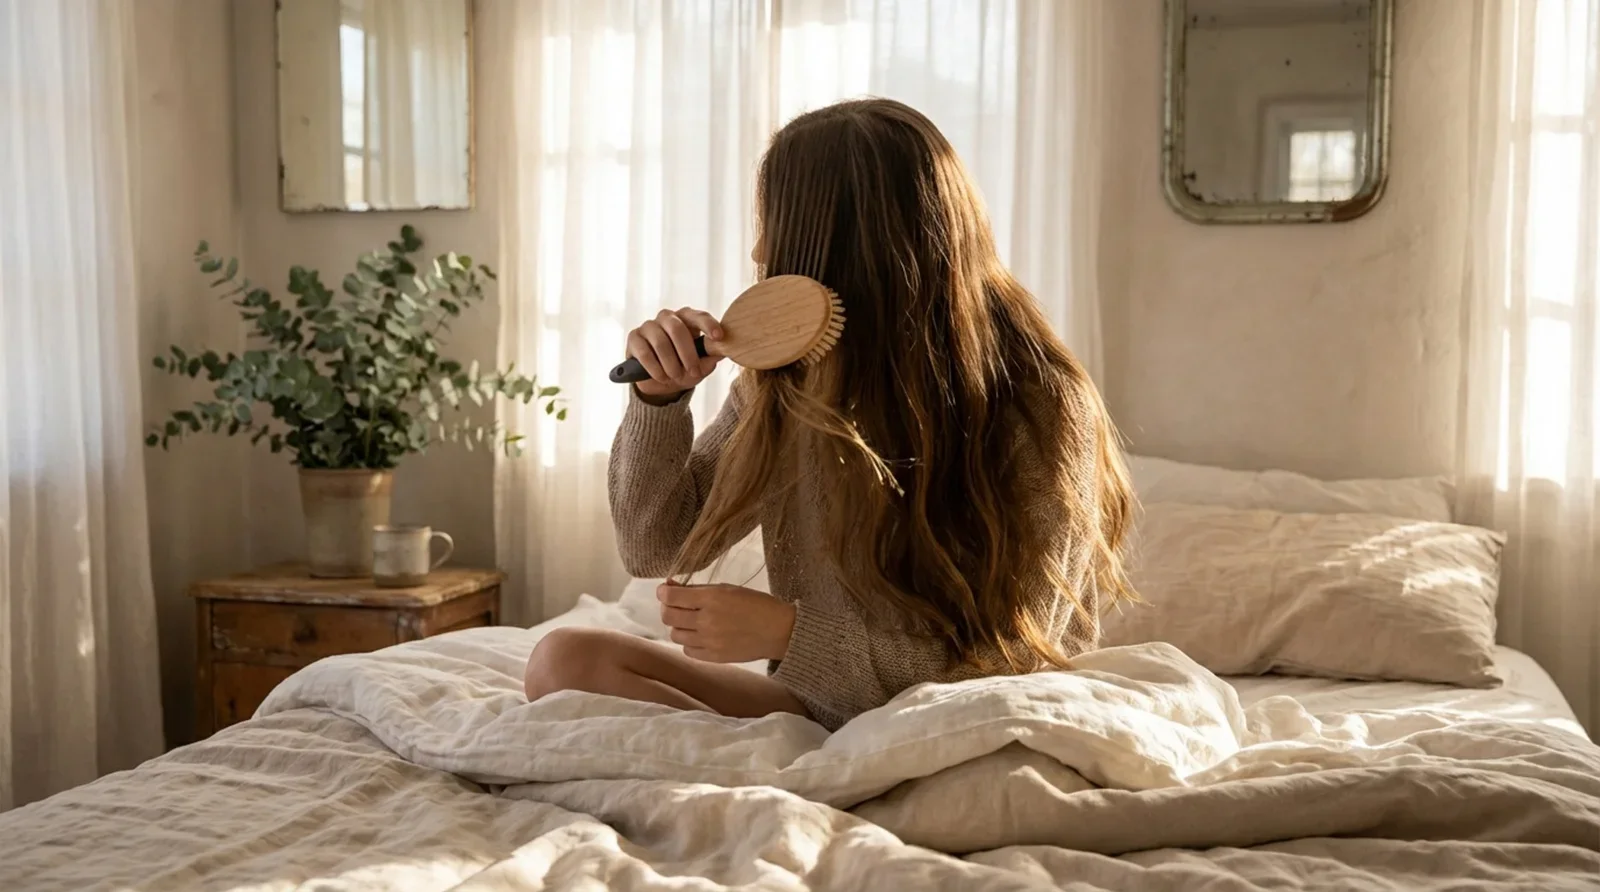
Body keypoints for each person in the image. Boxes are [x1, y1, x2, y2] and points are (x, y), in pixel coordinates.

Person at [523, 98, 1136, 731]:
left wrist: (791, 634)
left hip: (962, 717)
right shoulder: (781, 385)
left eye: (777, 227)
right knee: (564, 659)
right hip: (819, 705)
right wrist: (658, 401)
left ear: (839, 243)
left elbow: (1012, 657)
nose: (759, 249)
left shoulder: (1039, 404)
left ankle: (810, 775)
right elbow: (655, 545)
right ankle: (799, 769)